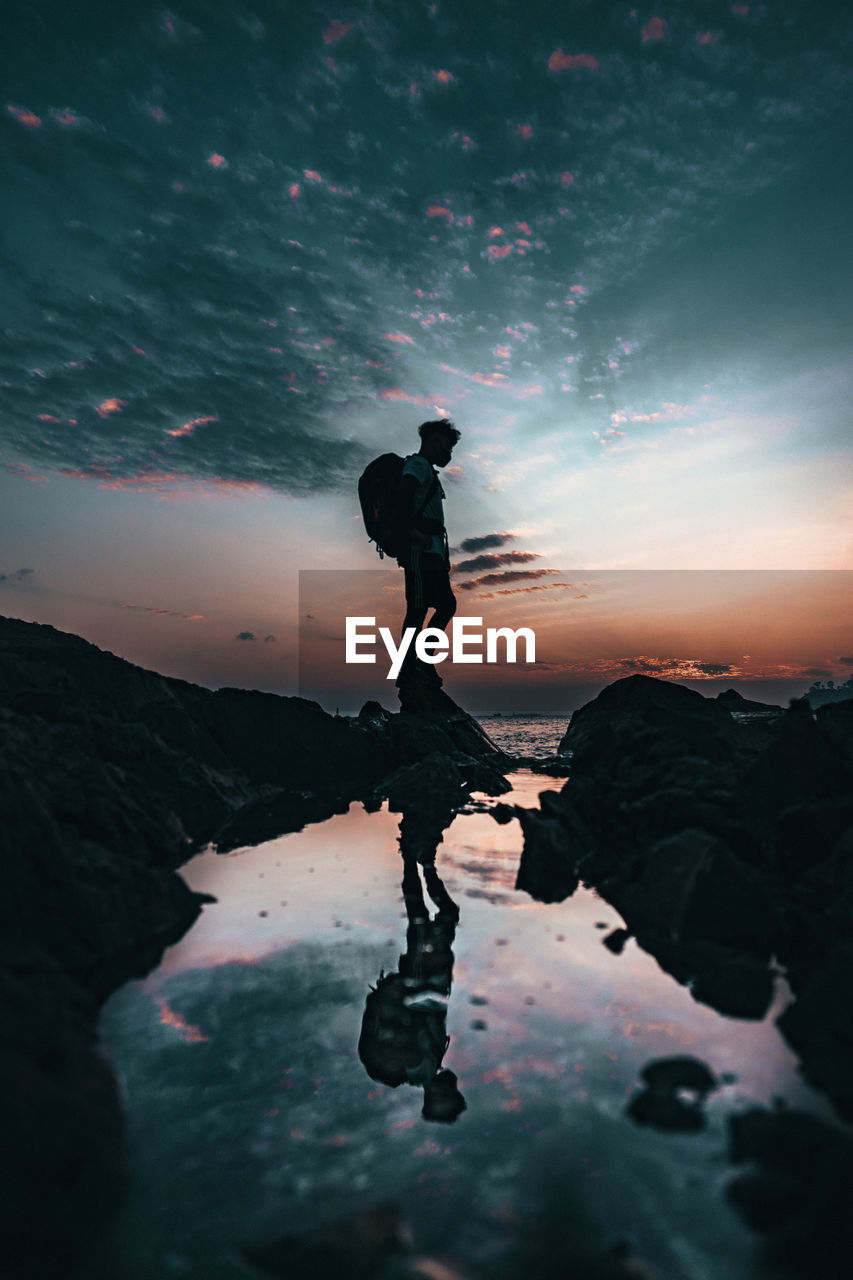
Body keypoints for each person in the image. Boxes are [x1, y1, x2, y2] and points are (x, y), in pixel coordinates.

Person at [396, 418, 461, 687]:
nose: (449, 454)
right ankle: (409, 670)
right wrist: (413, 533)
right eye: (447, 447)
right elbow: (402, 498)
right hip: (419, 552)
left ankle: (422, 661)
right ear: (434, 441)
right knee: (418, 609)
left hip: (432, 554)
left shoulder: (427, 471)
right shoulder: (418, 465)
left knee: (445, 604)